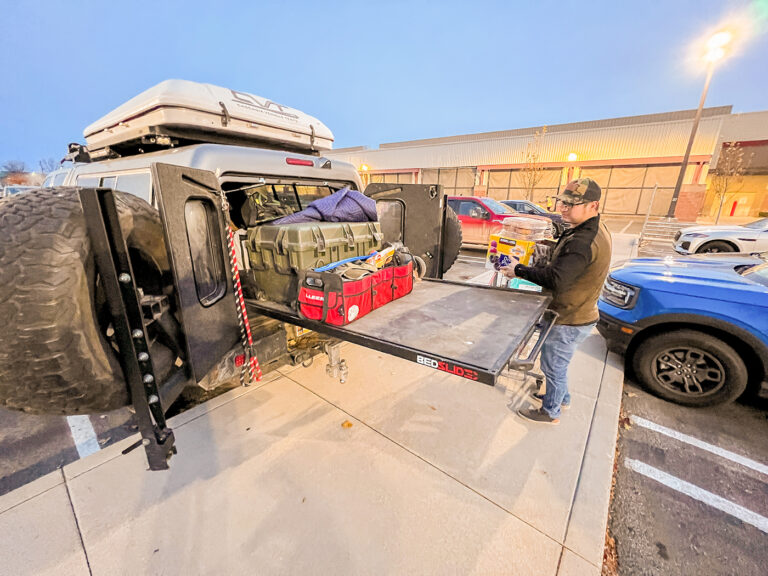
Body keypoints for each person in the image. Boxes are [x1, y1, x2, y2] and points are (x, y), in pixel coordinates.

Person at [502, 178, 612, 425]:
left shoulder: (583, 241)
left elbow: (556, 279)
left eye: (571, 204)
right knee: (557, 364)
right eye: (562, 202)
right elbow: (568, 265)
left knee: (553, 366)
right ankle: (562, 398)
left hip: (569, 318)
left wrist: (518, 270)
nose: (563, 208)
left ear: (593, 205)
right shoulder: (588, 228)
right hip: (575, 312)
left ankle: (551, 412)